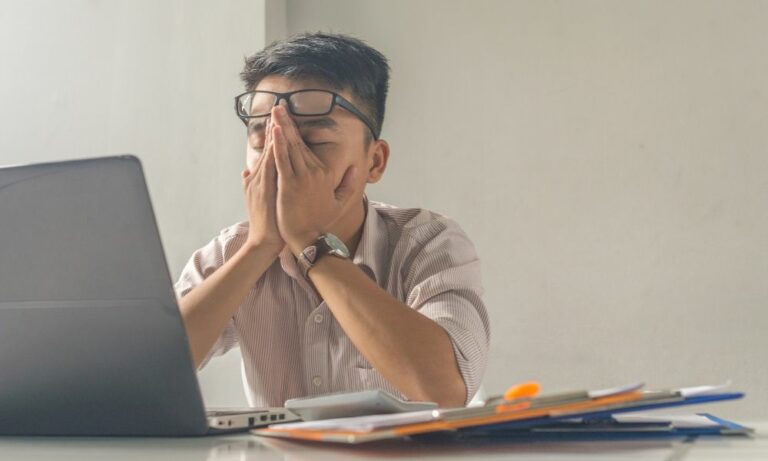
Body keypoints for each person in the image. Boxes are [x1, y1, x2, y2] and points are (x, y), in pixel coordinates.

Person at [174, 33, 490, 408]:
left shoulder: (427, 243)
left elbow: (445, 390)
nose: (281, 162)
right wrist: (259, 248)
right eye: (262, 144)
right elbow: (147, 370)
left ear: (375, 161)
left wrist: (312, 242)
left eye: (313, 143)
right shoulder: (231, 251)